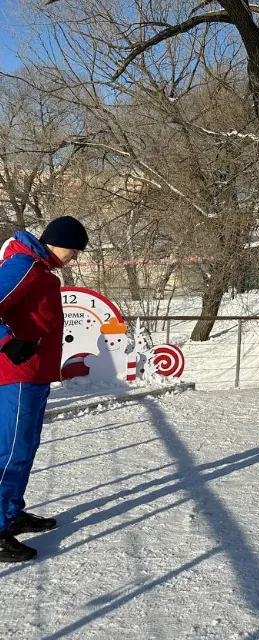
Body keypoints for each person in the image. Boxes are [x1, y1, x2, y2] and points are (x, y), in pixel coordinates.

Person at [0, 216, 88, 563]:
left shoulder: (39, 269)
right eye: (75, 250)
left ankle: (10, 512)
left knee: (25, 448)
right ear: (56, 241)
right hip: (17, 375)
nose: (76, 257)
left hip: (34, 376)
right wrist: (6, 342)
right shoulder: (24, 265)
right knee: (11, 452)